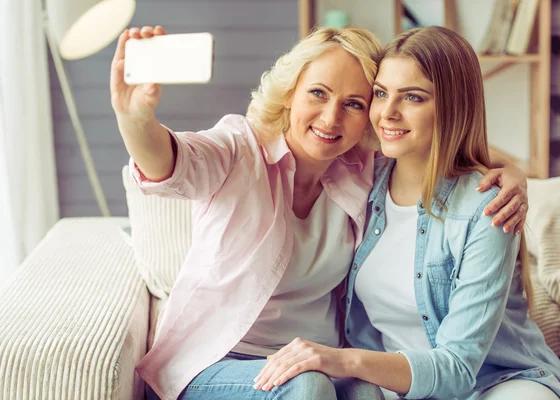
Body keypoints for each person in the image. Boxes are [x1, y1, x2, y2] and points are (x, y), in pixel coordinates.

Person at [110, 25, 529, 400]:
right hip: (220, 364)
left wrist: (512, 173)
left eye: (354, 103)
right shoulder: (238, 150)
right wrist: (134, 121)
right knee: (307, 387)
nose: (331, 118)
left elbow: (433, 140)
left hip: (322, 364)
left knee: (365, 392)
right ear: (290, 91)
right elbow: (172, 163)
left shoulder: (361, 168)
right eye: (318, 93)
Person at [253, 26, 560, 400]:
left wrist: (343, 361)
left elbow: (458, 368)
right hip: (390, 385)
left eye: (413, 97)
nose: (388, 113)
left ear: (453, 105)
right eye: (381, 94)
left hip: (495, 383)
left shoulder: (488, 208)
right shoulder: (359, 178)